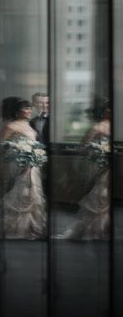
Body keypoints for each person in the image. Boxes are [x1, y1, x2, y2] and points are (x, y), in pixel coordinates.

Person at [61, 98, 111, 240]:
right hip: (99, 162)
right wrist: (97, 150)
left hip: (110, 163)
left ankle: (105, 228)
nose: (110, 111)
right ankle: (93, 228)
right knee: (100, 193)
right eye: (107, 109)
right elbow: (83, 146)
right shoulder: (97, 127)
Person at [0, 97, 47, 240]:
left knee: (33, 192)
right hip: (19, 163)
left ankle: (31, 227)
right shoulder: (11, 126)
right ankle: (18, 228)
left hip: (32, 163)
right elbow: (1, 145)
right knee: (22, 191)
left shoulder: (29, 125)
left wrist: (34, 153)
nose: (28, 111)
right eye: (25, 108)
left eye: (29, 108)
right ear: (17, 111)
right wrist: (18, 150)